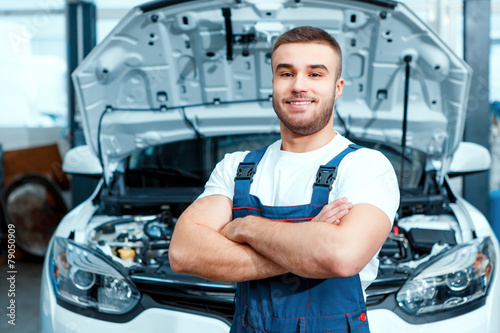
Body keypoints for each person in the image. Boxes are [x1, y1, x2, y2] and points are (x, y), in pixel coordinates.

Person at [169, 26, 400, 333]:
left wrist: (245, 227)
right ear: (273, 83)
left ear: (338, 86)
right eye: (286, 73)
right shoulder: (237, 167)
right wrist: (308, 244)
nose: (299, 86)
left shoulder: (365, 165)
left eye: (315, 74)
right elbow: (183, 252)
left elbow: (341, 257)